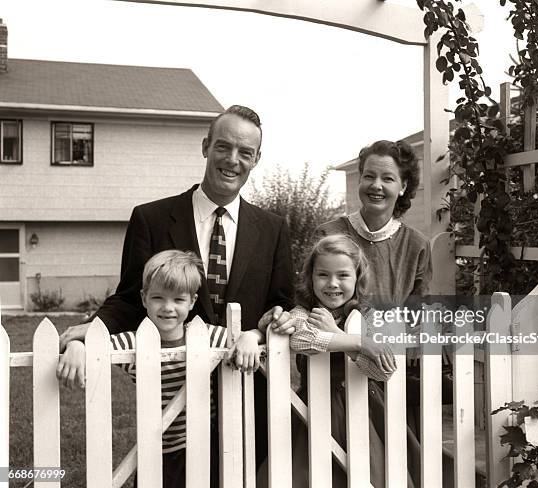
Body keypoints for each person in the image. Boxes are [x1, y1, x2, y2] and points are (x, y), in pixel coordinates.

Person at [58, 105, 295, 477]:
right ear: (205, 146)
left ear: (256, 159)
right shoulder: (150, 219)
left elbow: (281, 305)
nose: (232, 160)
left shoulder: (274, 228)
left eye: (245, 152)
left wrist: (258, 331)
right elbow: (130, 297)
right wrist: (92, 331)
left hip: (248, 390)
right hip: (176, 402)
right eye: (223, 146)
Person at [316, 140, 442, 487]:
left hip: (389, 372)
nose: (376, 185)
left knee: (392, 471)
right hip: (333, 372)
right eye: (368, 175)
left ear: (403, 187)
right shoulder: (330, 234)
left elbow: (419, 315)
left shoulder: (416, 245)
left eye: (388, 178)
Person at [57, 250, 229, 488]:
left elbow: (244, 340)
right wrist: (77, 345)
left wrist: (250, 338)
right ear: (144, 298)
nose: (168, 307)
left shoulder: (206, 336)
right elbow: (96, 345)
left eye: (178, 299)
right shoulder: (132, 343)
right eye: (158, 298)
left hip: (205, 445)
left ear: (192, 302)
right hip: (157, 448)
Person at [260, 234, 396, 488]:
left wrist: (338, 335)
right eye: (323, 275)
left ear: (358, 278)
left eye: (343, 275)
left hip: (364, 408)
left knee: (367, 473)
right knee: (311, 472)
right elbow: (301, 340)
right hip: (315, 405)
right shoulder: (303, 314)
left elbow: (382, 371)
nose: (333, 284)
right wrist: (358, 343)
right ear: (310, 278)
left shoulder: (369, 316)